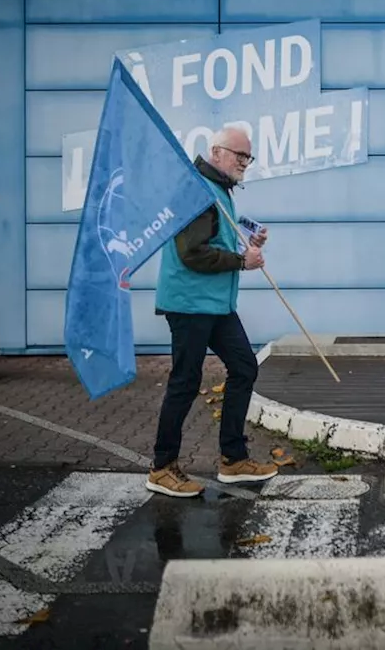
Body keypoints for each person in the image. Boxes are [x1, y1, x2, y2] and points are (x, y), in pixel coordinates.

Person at [146, 127, 280, 497]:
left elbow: (213, 238)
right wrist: (242, 261)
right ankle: (161, 467)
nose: (244, 163)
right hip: (190, 303)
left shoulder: (217, 189)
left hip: (215, 304)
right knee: (185, 381)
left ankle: (233, 460)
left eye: (248, 157)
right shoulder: (197, 190)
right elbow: (192, 253)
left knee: (244, 367)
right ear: (217, 152)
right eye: (240, 156)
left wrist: (249, 242)